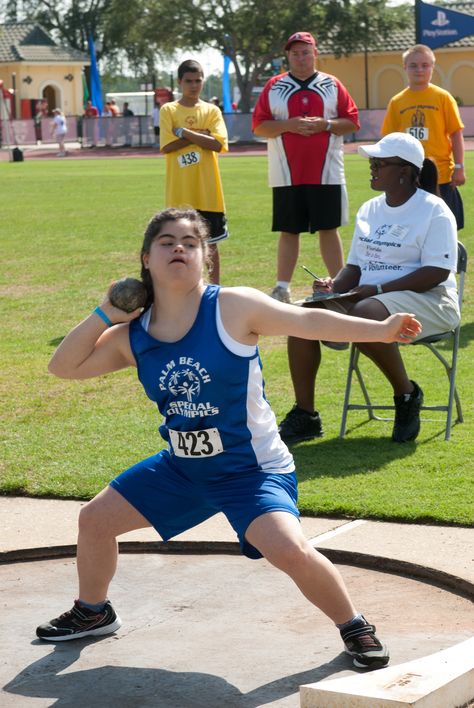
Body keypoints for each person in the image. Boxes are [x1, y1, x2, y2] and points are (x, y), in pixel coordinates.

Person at [35, 207, 422, 669]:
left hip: (250, 470)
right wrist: (105, 312)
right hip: (182, 468)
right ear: (145, 258)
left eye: (190, 242)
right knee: (95, 520)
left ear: (207, 259)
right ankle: (92, 613)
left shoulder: (233, 307)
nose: (179, 247)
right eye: (166, 241)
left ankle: (354, 626)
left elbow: (309, 323)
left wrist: (379, 329)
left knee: (289, 549)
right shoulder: (132, 336)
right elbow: (64, 367)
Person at [278, 132, 459, 445]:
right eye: (372, 161)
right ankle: (306, 415)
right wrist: (333, 286)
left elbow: (437, 272)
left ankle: (407, 395)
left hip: (431, 300)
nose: (372, 167)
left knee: (365, 315)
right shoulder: (370, 209)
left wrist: (375, 289)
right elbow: (356, 268)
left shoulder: (434, 210)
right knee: (302, 316)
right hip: (371, 298)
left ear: (404, 171)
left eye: (380, 162)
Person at [252, 31, 360, 303]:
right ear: (287, 56)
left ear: (315, 53)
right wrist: (288, 124)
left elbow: (351, 122)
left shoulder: (332, 85)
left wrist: (325, 124)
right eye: (295, 53)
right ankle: (281, 288)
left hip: (327, 172)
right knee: (289, 230)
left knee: (329, 228)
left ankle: (340, 285)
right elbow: (259, 126)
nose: (300, 57)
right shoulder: (274, 86)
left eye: (305, 52)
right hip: (286, 173)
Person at [382, 44, 465, 230]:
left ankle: (450, 258)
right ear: (405, 67)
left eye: (425, 65)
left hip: (441, 175)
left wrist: (459, 167)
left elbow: (456, 133)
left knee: (445, 227)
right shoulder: (397, 102)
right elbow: (389, 140)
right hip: (408, 176)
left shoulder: (443, 97)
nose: (419, 70)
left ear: (432, 68)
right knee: (411, 228)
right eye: (413, 65)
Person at [160, 59, 229, 285]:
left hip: (208, 192)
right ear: (180, 82)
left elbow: (218, 144)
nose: (193, 85)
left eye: (198, 81)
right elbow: (167, 146)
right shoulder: (169, 109)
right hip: (180, 193)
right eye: (188, 81)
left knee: (211, 244)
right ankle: (186, 285)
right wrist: (201, 135)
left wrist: (184, 133)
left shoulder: (211, 110)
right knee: (179, 244)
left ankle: (214, 288)